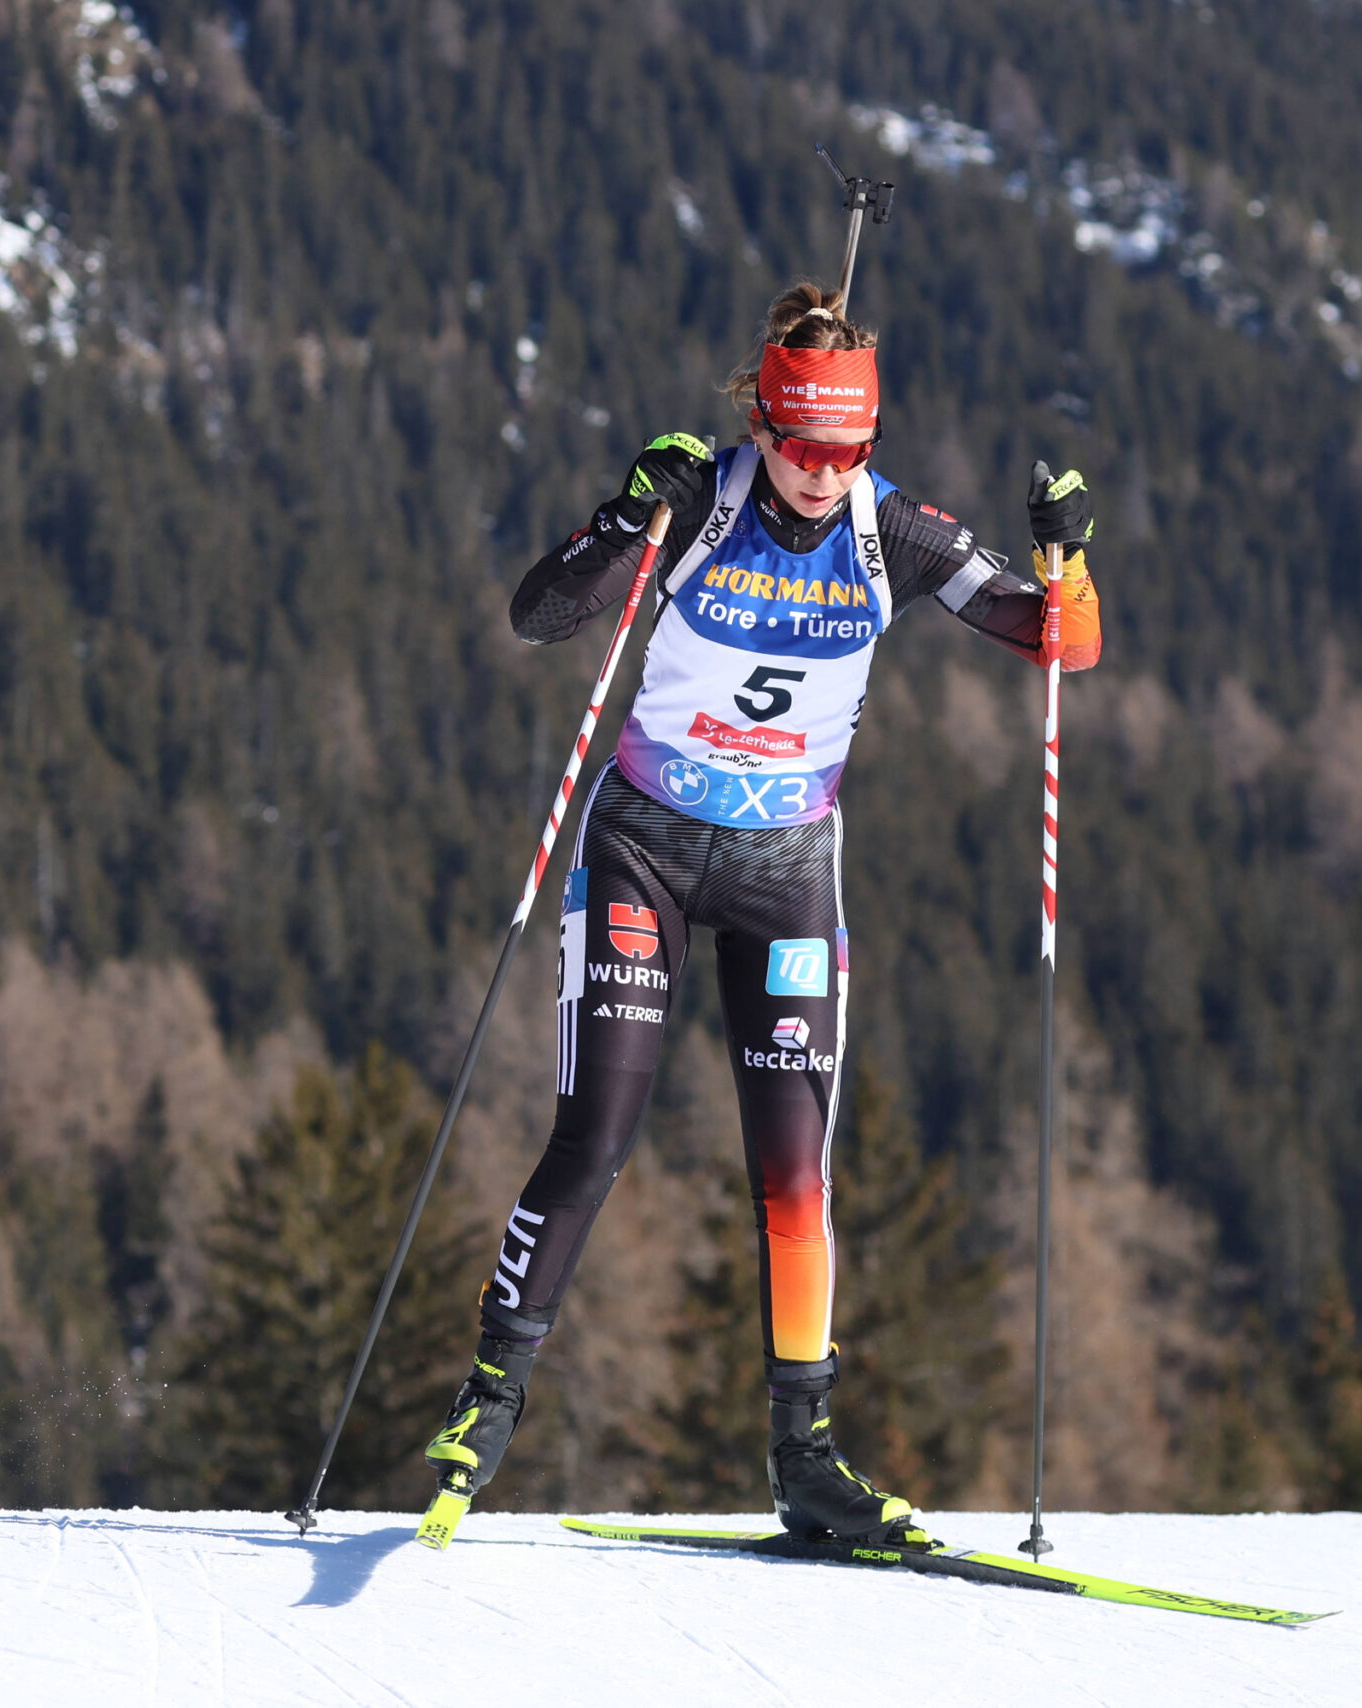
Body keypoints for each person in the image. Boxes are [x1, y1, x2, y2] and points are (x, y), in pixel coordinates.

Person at [425, 281, 1101, 1543]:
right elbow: (539, 616)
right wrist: (628, 512)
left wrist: (1069, 558)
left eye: (851, 450)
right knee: (595, 1138)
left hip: (787, 870)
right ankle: (488, 1402)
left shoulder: (890, 531)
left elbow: (1058, 642)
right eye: (803, 447)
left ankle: (806, 1458)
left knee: (796, 1180)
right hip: (647, 852)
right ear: (763, 422)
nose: (823, 472)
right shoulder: (703, 501)